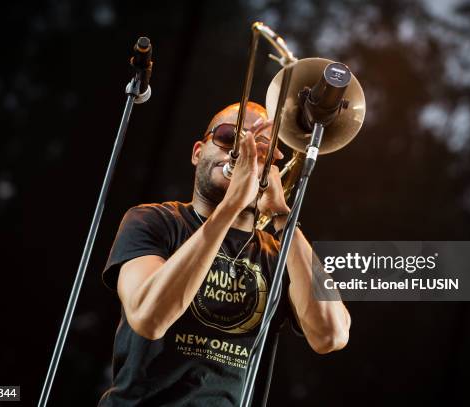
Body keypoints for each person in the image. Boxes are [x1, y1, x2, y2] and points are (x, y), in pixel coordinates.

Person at [98, 102, 351, 406]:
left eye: (259, 149)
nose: (239, 153)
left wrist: (283, 216)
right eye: (228, 137)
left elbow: (331, 335)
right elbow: (147, 317)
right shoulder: (154, 220)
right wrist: (231, 205)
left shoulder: (278, 255)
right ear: (197, 152)